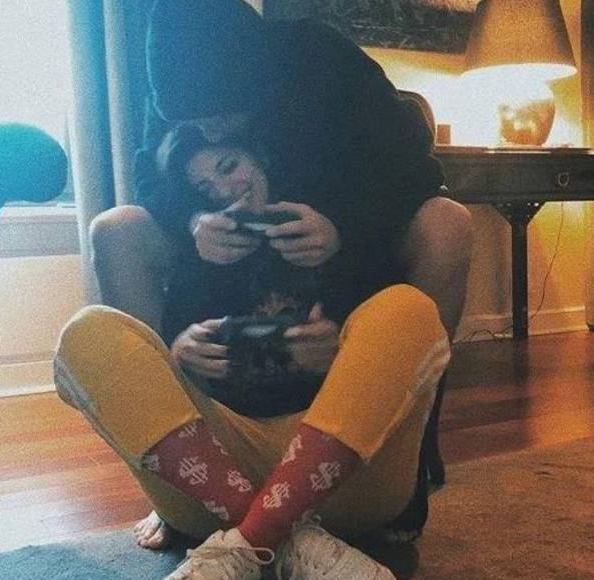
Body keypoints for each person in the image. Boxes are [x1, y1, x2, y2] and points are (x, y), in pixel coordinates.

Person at [90, 0, 472, 560]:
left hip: (348, 236)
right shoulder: (173, 89)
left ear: (254, 75)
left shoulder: (323, 60)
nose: (205, 130)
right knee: (115, 230)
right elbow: (151, 180)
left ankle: (409, 453)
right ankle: (178, 473)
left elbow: (415, 174)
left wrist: (343, 227)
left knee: (449, 224)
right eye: (189, 121)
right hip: (224, 261)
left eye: (215, 115)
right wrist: (193, 221)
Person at [56, 123, 452, 578]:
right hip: (212, 481)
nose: (225, 190)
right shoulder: (193, 255)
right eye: (205, 188)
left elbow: (395, 351)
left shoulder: (336, 236)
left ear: (261, 156)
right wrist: (179, 358)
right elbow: (157, 377)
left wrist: (340, 351)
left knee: (407, 309)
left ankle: (245, 544)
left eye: (229, 166)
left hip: (342, 476)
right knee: (89, 332)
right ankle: (282, 539)